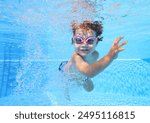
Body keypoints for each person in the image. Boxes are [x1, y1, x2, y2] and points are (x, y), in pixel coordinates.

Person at [59, 20, 127, 95]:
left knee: (90, 89)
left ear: (96, 42)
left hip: (82, 73)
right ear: (73, 41)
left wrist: (114, 55)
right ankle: (67, 87)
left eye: (90, 41)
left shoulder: (95, 54)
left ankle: (80, 78)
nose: (84, 45)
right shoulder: (76, 57)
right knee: (66, 85)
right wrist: (109, 57)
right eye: (78, 40)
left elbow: (89, 68)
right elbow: (89, 72)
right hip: (66, 71)